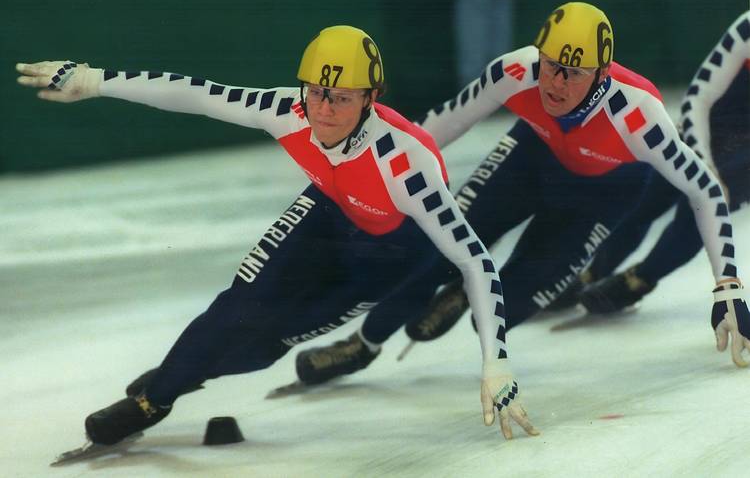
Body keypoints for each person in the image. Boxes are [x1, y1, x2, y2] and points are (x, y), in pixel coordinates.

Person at [16, 26, 537, 444]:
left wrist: (498, 362)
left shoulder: (406, 162)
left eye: (340, 98)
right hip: (325, 212)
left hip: (392, 252)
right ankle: (154, 400)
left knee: (266, 346)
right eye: (316, 94)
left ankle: (195, 365)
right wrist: (94, 79)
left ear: (372, 98)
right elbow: (193, 93)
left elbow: (474, 260)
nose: (324, 111)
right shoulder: (288, 111)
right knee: (237, 305)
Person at [290, 2, 750, 388]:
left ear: (602, 73)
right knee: (433, 250)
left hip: (604, 193)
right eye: (550, 66)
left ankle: (465, 296)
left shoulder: (638, 113)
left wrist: (727, 285)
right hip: (531, 156)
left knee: (502, 309)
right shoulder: (515, 71)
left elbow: (706, 190)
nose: (555, 84)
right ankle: (363, 344)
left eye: (573, 73)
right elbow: (434, 131)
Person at [567, 11, 750, 316]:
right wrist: (704, 162)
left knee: (697, 217)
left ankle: (639, 279)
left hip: (742, 157)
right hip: (704, 132)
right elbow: (698, 98)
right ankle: (594, 272)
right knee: (646, 202)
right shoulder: (747, 28)